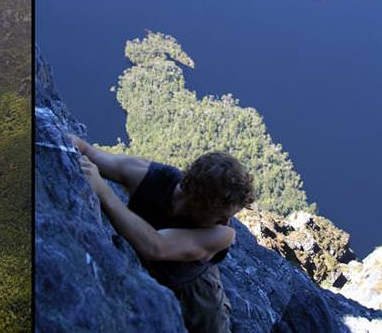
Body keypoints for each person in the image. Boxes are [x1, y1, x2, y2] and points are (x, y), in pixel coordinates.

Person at [69, 134, 255, 333]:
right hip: (150, 277)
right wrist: (65, 140)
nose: (226, 223)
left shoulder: (223, 235)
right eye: (221, 216)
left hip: (196, 303)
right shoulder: (150, 176)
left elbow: (156, 246)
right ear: (198, 201)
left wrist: (103, 192)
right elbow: (89, 152)